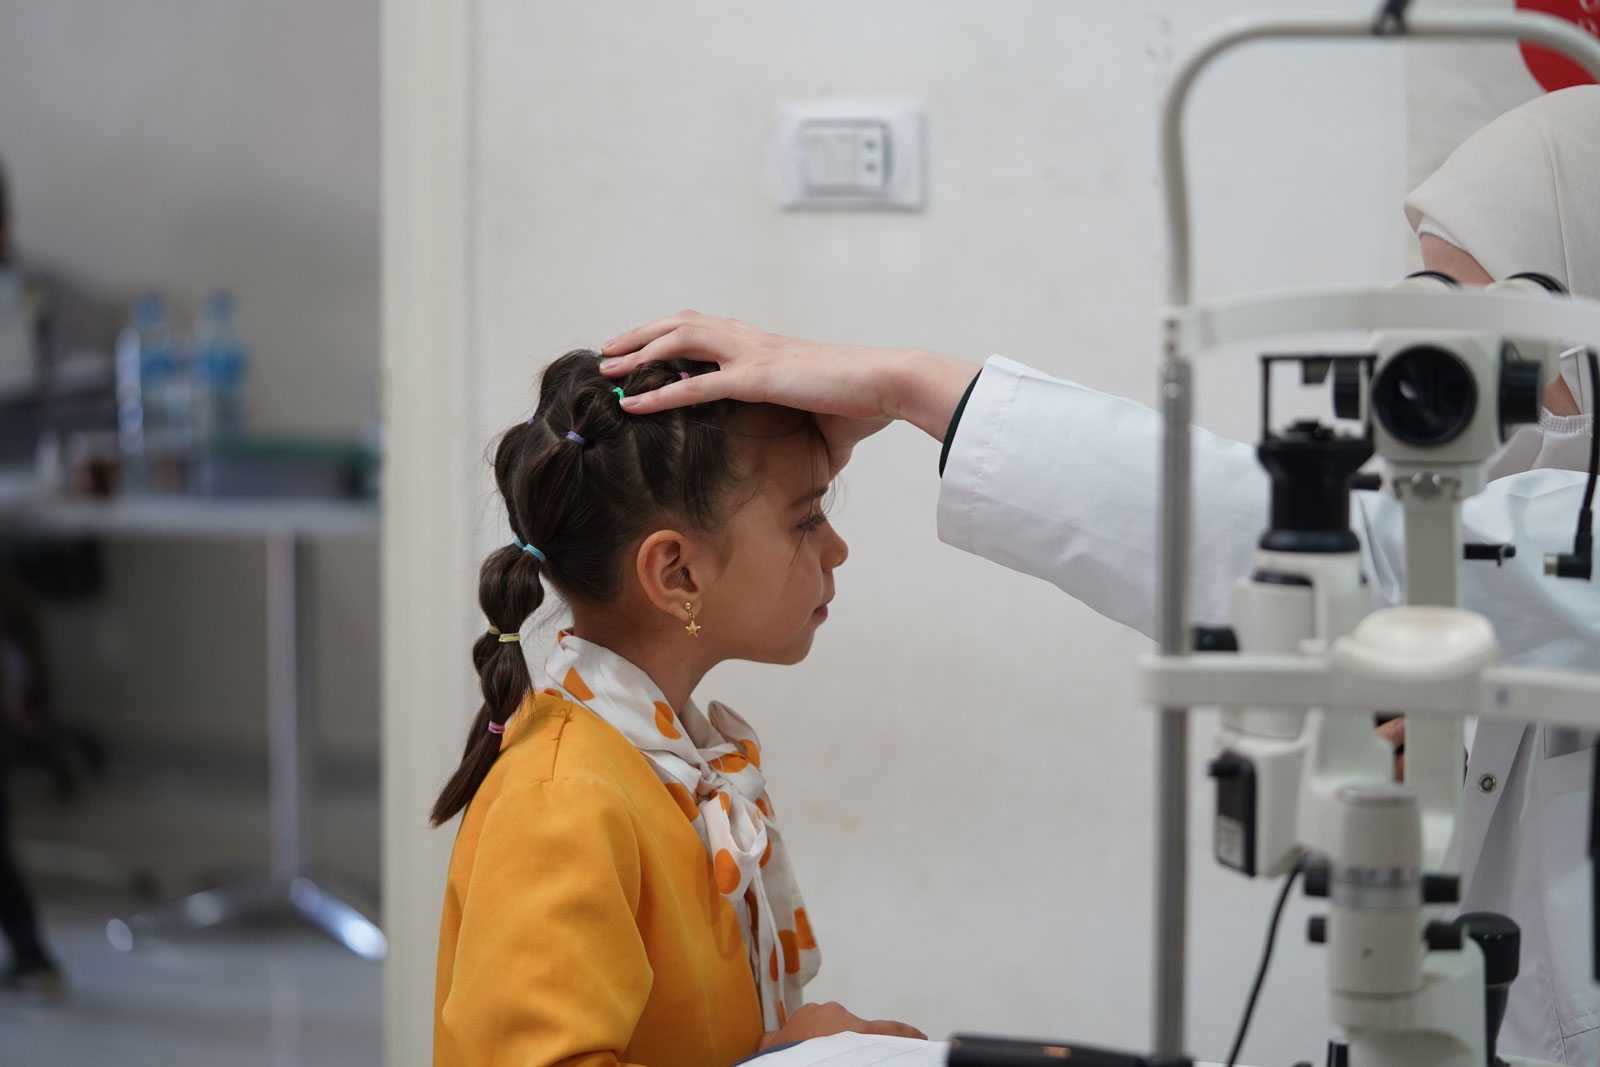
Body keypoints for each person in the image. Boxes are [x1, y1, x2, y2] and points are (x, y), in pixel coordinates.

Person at [598, 86, 1600, 1065]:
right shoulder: (589, 796)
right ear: (672, 573)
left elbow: (1345, 552)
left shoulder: (1547, 536)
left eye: (1490, 330)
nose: (1440, 368)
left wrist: (909, 386)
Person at [431, 351, 924, 1066]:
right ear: (678, 573)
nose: (837, 548)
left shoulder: (664, 768)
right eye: (806, 518)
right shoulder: (561, 799)